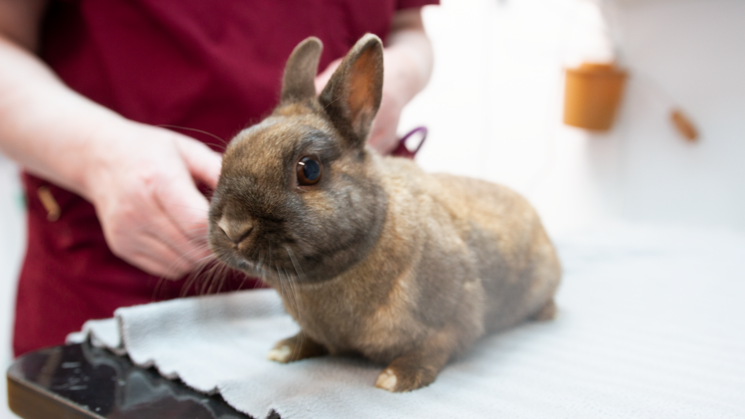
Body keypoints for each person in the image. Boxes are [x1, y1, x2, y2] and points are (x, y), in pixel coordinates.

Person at [0, 0, 436, 357]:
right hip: (127, 279)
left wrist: (400, 72)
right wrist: (98, 155)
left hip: (352, 273)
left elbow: (408, 26)